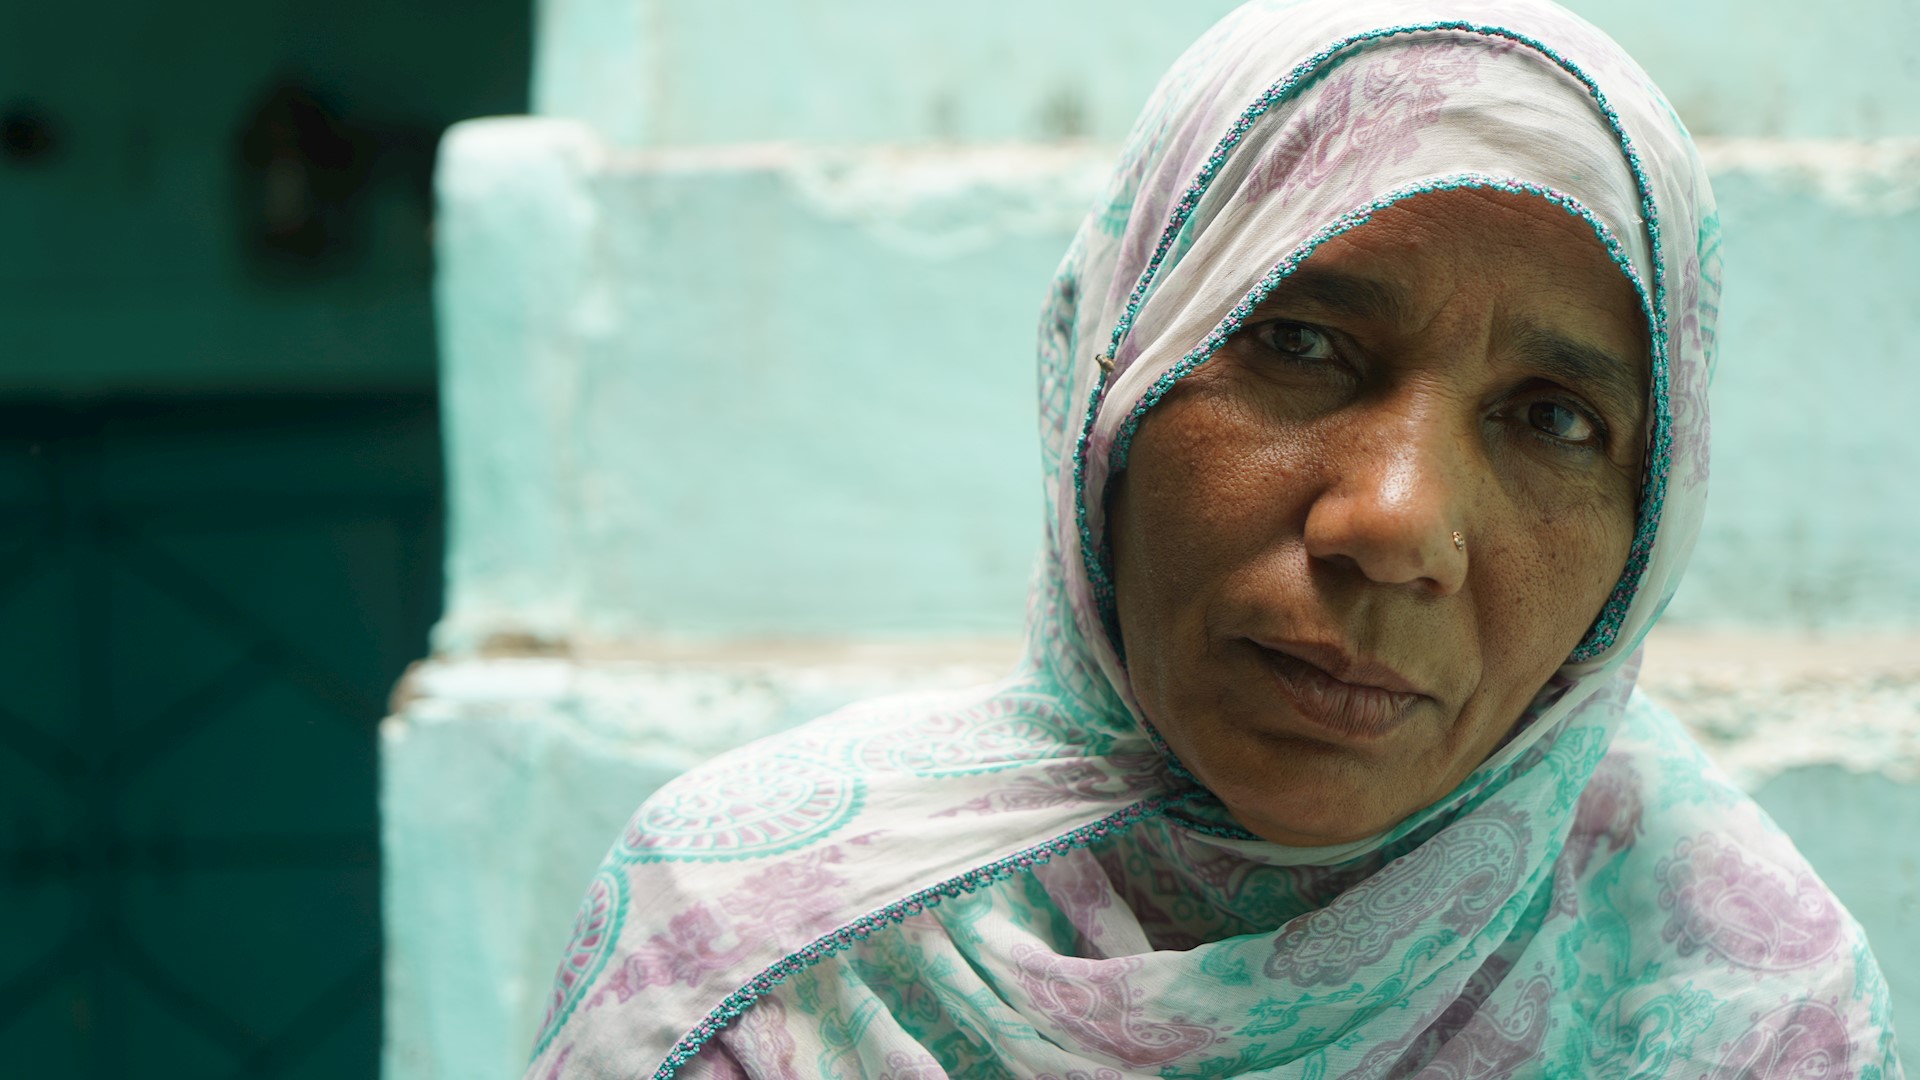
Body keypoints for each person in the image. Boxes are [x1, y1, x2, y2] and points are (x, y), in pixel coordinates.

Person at [524, 0, 1903, 1076]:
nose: (1396, 523)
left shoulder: (1739, 1006)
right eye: (1301, 343)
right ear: (1115, 372)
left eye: (1552, 420)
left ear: (1647, 529)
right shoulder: (766, 963)